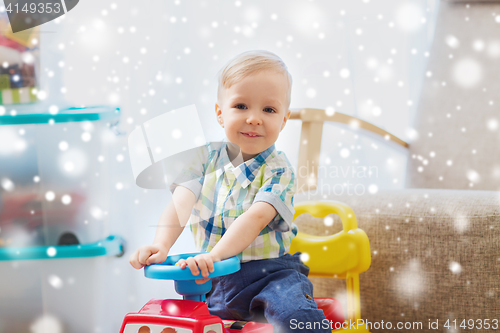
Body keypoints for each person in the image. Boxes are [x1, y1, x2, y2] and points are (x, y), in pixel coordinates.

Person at [129, 50, 329, 333]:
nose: (254, 119)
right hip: (216, 280)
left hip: (271, 275)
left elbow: (256, 218)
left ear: (283, 121)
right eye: (241, 106)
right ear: (220, 114)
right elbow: (180, 203)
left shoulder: (279, 170)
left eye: (269, 110)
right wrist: (162, 245)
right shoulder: (203, 158)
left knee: (294, 315)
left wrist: (215, 255)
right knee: (185, 322)